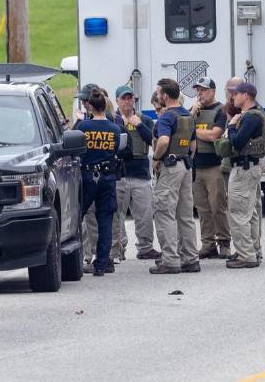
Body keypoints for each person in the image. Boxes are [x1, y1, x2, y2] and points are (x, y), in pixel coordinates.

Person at [149, 78, 200, 274]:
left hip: (170, 166)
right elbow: (193, 146)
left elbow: (163, 140)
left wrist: (156, 157)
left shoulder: (166, 117)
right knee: (185, 215)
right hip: (186, 165)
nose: (158, 95)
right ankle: (190, 258)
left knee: (164, 213)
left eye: (159, 92)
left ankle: (170, 260)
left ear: (165, 96)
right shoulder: (187, 115)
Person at [75, 88, 122, 277]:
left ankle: (73, 256)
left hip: (87, 177)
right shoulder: (114, 128)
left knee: (76, 216)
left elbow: (76, 149)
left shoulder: (83, 127)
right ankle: (101, 265)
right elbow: (117, 149)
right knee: (105, 221)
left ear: (90, 107)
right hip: (107, 178)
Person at [112, 85, 160, 261]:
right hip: (120, 174)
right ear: (117, 101)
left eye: (130, 98)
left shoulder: (145, 120)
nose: (127, 101)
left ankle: (145, 247)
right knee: (117, 216)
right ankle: (117, 249)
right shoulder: (113, 120)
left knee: (145, 215)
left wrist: (139, 125)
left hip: (140, 173)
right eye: (123, 98)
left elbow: (153, 141)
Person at [225, 81, 265, 269]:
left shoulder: (250, 118)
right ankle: (253, 250)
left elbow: (238, 142)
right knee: (250, 212)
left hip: (244, 169)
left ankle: (246, 255)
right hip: (250, 168)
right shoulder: (255, 114)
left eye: (236, 94)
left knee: (238, 212)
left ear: (246, 95)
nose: (233, 97)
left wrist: (232, 126)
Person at [190, 77, 231, 260]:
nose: (200, 93)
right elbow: (182, 131)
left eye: (204, 90)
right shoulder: (194, 112)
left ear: (213, 91)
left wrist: (194, 131)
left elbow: (215, 135)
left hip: (214, 165)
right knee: (202, 209)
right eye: (198, 90)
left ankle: (224, 242)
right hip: (196, 166)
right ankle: (207, 244)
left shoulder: (220, 110)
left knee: (218, 207)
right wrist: (191, 115)